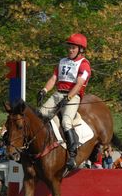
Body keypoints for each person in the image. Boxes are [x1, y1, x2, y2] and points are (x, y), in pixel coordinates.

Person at [38, 33, 91, 171]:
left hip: (73, 96)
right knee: (40, 114)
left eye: (73, 48)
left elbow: (79, 85)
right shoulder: (62, 61)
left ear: (80, 49)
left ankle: (72, 154)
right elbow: (53, 78)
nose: (70, 50)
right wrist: (44, 90)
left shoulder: (84, 65)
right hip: (58, 93)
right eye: (69, 47)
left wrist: (67, 99)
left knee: (66, 121)